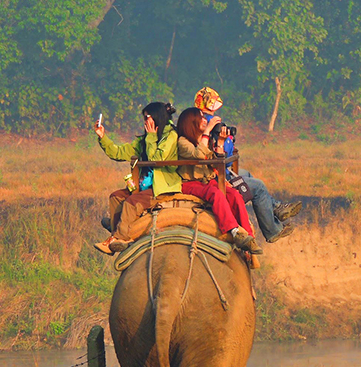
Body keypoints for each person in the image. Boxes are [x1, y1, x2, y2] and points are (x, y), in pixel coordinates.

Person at [193, 87, 301, 243]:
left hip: (215, 170)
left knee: (246, 174)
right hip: (213, 175)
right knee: (258, 187)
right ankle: (273, 230)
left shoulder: (196, 121)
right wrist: (224, 140)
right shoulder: (207, 125)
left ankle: (276, 207)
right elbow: (224, 156)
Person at [93, 102, 180, 254]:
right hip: (144, 185)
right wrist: (102, 137)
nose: (145, 122)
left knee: (132, 203)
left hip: (162, 186)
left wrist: (152, 137)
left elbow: (157, 159)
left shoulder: (171, 136)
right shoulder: (145, 140)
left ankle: (119, 238)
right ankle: (117, 229)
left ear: (156, 118)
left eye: (147, 118)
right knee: (115, 197)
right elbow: (119, 153)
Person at [176, 107, 262, 254]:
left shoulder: (204, 140)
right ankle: (234, 230)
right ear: (191, 122)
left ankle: (248, 237)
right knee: (215, 194)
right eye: (201, 118)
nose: (205, 121)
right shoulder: (183, 142)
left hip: (208, 181)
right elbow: (198, 155)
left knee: (234, 195)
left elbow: (216, 163)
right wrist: (207, 132)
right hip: (190, 183)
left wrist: (220, 143)